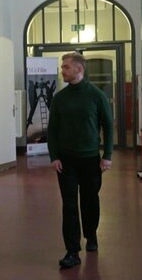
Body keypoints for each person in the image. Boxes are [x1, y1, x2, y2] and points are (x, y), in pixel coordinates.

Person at [47, 52, 114, 269]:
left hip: (90, 160)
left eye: (66, 67)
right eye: (62, 67)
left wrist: (108, 156)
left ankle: (91, 235)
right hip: (66, 162)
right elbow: (52, 130)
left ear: (79, 69)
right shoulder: (59, 99)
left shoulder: (96, 95)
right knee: (69, 205)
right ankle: (72, 251)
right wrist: (54, 156)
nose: (62, 70)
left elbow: (109, 125)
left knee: (90, 200)